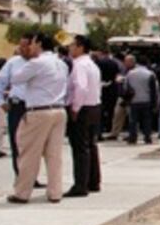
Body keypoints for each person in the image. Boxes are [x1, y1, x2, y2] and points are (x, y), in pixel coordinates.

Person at [8, 32, 68, 204]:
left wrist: (22, 59)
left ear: (39, 44)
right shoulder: (61, 63)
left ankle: (22, 192)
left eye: (33, 43)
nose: (30, 47)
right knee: (54, 155)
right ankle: (55, 192)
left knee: (28, 153)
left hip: (39, 111)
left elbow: (16, 79)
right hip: (58, 109)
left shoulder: (37, 63)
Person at [0, 35, 37, 179]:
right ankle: (21, 176)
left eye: (25, 45)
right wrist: (0, 101)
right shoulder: (13, 62)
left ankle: (32, 176)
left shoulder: (40, 63)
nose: (21, 49)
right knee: (17, 142)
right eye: (20, 45)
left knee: (34, 144)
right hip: (18, 105)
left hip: (36, 107)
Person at [65, 35, 101, 197]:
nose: (70, 48)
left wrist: (75, 108)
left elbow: (81, 87)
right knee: (91, 146)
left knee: (80, 148)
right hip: (94, 106)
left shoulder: (79, 65)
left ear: (80, 47)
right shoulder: (92, 64)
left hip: (83, 108)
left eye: (72, 45)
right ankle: (93, 181)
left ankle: (81, 184)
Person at [124, 55, 157, 145]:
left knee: (133, 120)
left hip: (134, 100)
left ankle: (132, 137)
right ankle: (147, 137)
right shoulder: (150, 74)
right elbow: (154, 89)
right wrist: (154, 103)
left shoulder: (130, 73)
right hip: (146, 99)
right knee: (147, 120)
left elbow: (126, 87)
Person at [94, 48, 121, 139]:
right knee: (111, 111)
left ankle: (99, 132)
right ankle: (109, 127)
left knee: (100, 112)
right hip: (112, 89)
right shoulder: (114, 63)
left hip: (101, 88)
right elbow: (116, 76)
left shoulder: (98, 63)